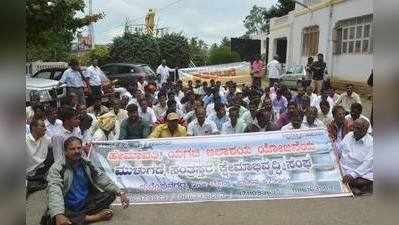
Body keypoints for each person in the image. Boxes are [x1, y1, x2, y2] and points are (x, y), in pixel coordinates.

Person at [43, 136, 129, 225]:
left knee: (110, 194)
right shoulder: (57, 168)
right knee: (54, 217)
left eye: (79, 148)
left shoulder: (86, 163)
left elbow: (100, 177)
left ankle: (80, 217)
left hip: (85, 201)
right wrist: (58, 214)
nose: (76, 151)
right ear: (65, 151)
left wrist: (120, 193)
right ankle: (95, 217)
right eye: (72, 149)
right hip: (68, 205)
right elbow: (54, 190)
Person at [338, 118, 373, 196]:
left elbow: (368, 163)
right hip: (343, 168)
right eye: (354, 127)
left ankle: (356, 187)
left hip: (359, 171)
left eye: (357, 128)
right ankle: (356, 187)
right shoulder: (349, 135)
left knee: (361, 179)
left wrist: (353, 174)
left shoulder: (371, 143)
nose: (354, 130)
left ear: (365, 130)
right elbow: (339, 149)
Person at [26, 118, 53, 195]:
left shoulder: (45, 139)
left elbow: (58, 142)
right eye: (42, 126)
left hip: (40, 170)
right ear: (34, 128)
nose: (45, 128)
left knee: (54, 153)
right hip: (27, 174)